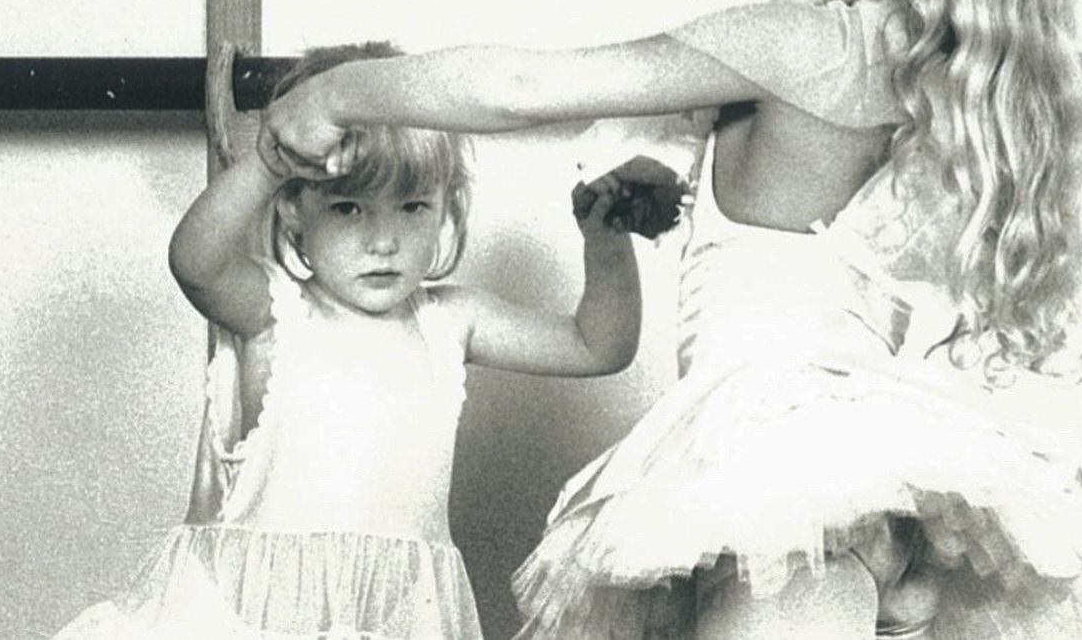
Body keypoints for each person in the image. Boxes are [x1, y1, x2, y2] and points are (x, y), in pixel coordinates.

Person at [260, 0, 1082, 636]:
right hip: (858, 494)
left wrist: (339, 93)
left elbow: (519, 88)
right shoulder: (935, 74)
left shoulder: (799, 47)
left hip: (780, 476)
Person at [49, 41, 643, 640]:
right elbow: (194, 262)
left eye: (412, 207)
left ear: (447, 207)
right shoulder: (273, 312)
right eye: (349, 209)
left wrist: (607, 242)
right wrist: (272, 163)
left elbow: (596, 346)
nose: (384, 241)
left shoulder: (449, 320)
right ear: (293, 210)